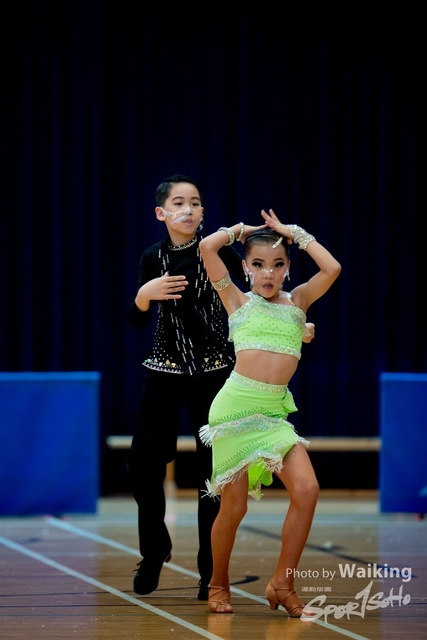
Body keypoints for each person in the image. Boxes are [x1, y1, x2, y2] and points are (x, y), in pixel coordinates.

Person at [198, 210, 341, 616]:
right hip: (234, 413)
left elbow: (332, 268)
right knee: (234, 507)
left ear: (287, 268)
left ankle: (283, 583)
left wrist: (293, 232)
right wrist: (241, 231)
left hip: (273, 417)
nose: (268, 273)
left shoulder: (299, 302)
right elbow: (208, 247)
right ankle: (218, 584)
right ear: (245, 267)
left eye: (277, 265)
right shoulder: (236, 300)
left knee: (307, 490)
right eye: (258, 264)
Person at [127, 174, 248, 600]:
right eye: (179, 202)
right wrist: (144, 294)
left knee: (212, 473)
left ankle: (209, 572)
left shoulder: (219, 251)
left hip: (214, 372)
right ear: (161, 213)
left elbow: (248, 301)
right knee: (142, 462)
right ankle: (154, 550)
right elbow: (138, 320)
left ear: (203, 212)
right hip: (164, 368)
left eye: (195, 202)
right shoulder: (152, 257)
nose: (188, 209)